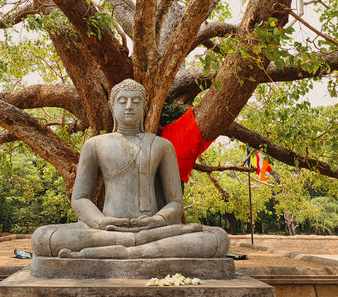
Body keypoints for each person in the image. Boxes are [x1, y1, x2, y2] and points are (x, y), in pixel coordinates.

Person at [31, 79, 229, 259]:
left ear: (144, 107)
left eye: (135, 102)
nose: (128, 106)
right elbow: (80, 198)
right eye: (122, 101)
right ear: (111, 107)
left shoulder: (162, 146)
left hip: (153, 230)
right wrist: (101, 222)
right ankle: (135, 248)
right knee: (42, 237)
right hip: (107, 230)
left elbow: (175, 203)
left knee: (218, 238)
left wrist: (159, 220)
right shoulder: (94, 145)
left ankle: (127, 250)